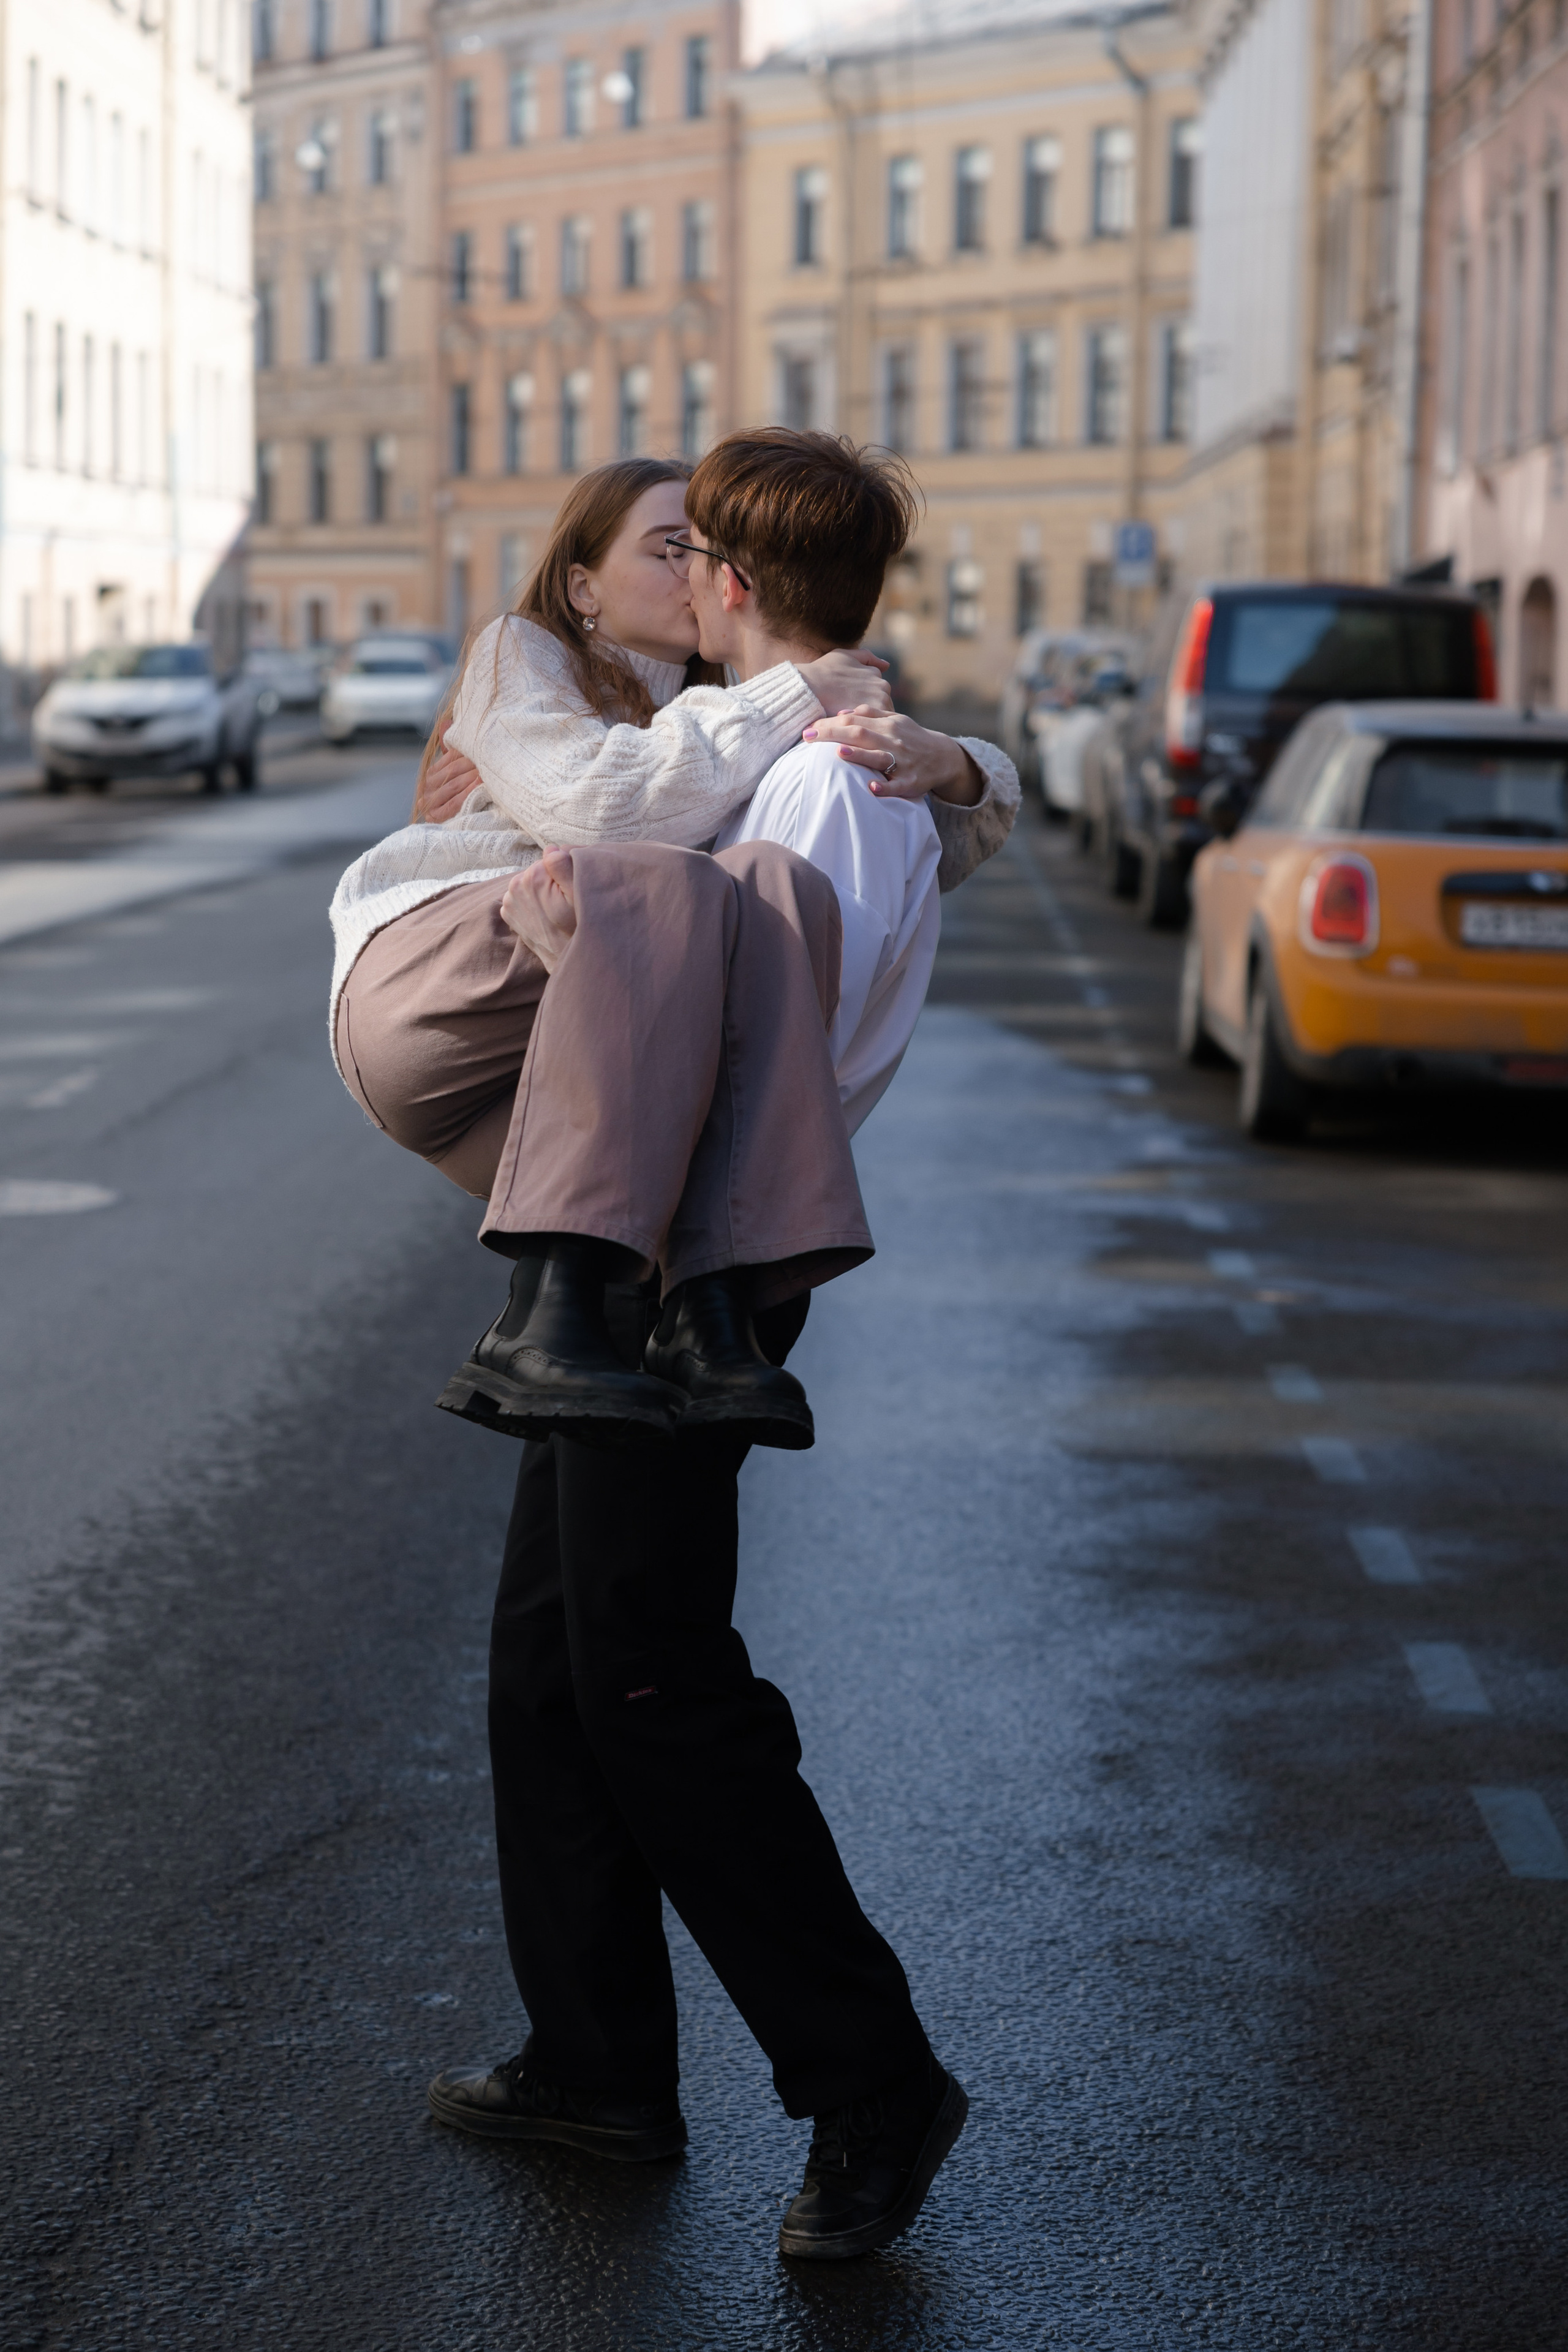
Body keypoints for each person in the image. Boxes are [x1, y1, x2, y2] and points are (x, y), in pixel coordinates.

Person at [331, 432, 1019, 2260]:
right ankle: (596, 2062)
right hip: (680, 1249)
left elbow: (733, 1053)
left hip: (688, 1265)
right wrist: (972, 757)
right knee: (548, 1671)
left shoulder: (807, 790)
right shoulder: (845, 766)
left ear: (725, 587)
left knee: (652, 1689)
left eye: (687, 557)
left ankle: (872, 2080)